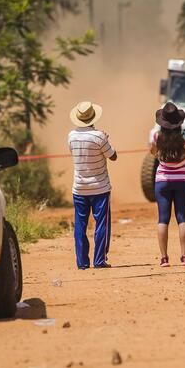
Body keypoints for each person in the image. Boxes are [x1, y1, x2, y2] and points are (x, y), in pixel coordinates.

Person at [68, 101, 118, 269]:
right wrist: (105, 140)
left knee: (80, 225)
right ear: (93, 118)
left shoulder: (71, 136)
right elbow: (113, 156)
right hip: (100, 188)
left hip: (79, 188)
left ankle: (81, 263)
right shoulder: (99, 136)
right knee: (101, 223)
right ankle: (99, 260)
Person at [149, 102, 185, 267]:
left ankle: (164, 258)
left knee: (163, 219)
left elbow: (152, 152)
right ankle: (184, 257)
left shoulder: (157, 136)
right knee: (182, 217)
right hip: (181, 180)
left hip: (162, 180)